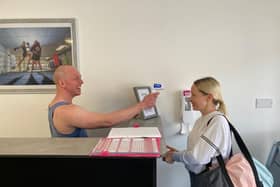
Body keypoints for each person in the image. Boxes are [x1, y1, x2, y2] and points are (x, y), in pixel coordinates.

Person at [48, 65, 160, 137]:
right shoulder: (66, 111)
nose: (81, 82)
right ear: (62, 83)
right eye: (76, 78)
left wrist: (133, 113)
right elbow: (107, 121)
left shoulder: (55, 106)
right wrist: (143, 105)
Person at [162, 77, 231, 186]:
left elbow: (197, 158)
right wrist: (177, 153)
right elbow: (199, 153)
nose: (189, 99)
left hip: (210, 180)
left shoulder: (217, 122)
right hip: (199, 178)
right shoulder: (202, 120)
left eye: (193, 95)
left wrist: (174, 155)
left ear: (209, 97)